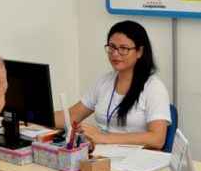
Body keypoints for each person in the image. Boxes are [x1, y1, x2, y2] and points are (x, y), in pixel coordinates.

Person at [55, 20, 171, 150]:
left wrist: (103, 138)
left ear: (139, 52)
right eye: (112, 47)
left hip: (136, 161)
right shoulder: (104, 81)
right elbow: (71, 116)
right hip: (102, 156)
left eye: (124, 49)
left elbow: (157, 139)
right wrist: (33, 116)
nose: (115, 54)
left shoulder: (154, 87)